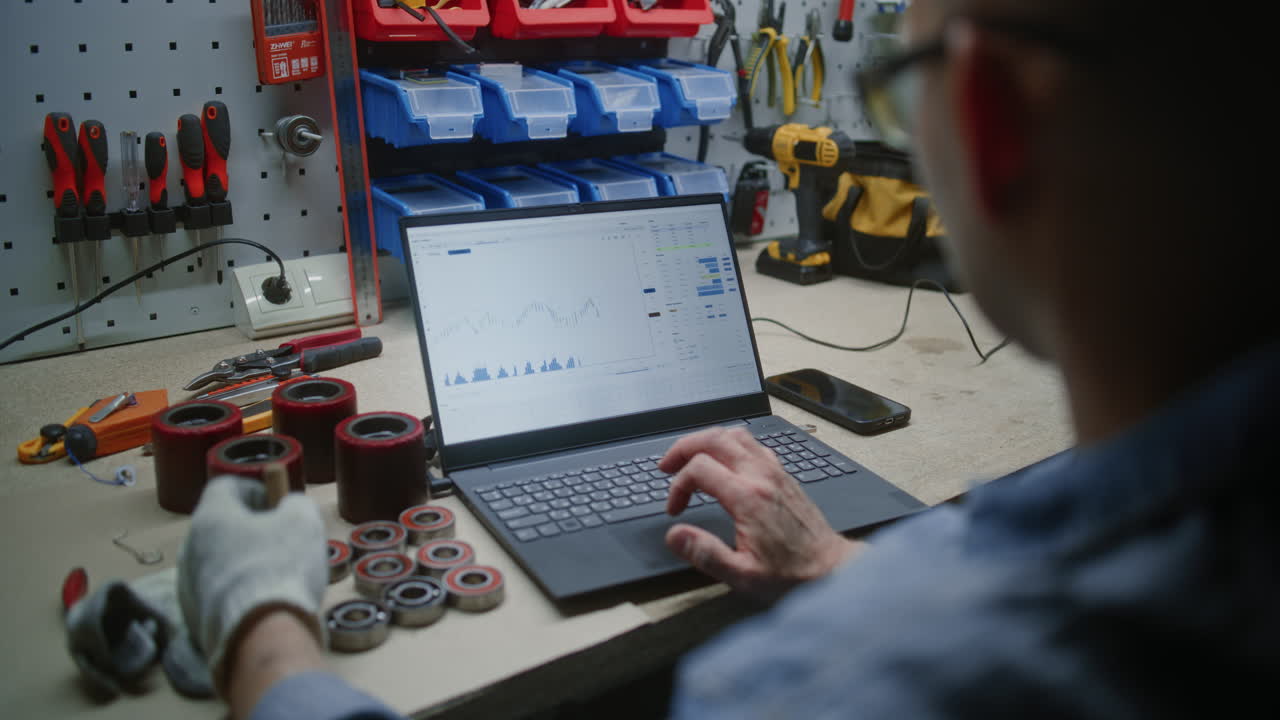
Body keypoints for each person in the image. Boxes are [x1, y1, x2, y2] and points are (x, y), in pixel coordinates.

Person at [177, 0, 1278, 717]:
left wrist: (260, 630)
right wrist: (840, 567)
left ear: (988, 119)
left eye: (907, 79)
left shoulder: (825, 687)